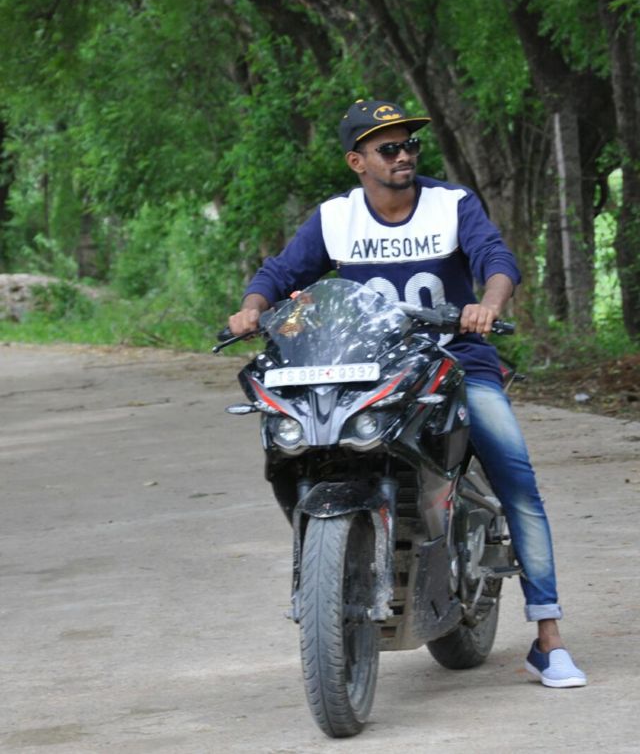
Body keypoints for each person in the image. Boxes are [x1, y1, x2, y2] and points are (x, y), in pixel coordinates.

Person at [228, 98, 587, 688]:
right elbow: (281, 273)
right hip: (368, 369)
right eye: (388, 147)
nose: (404, 155)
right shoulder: (336, 218)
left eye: (410, 144)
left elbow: (496, 258)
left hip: (456, 362)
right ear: (357, 161)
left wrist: (487, 304)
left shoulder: (451, 204)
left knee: (516, 481)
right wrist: (251, 308)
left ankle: (548, 638)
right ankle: (337, 563)